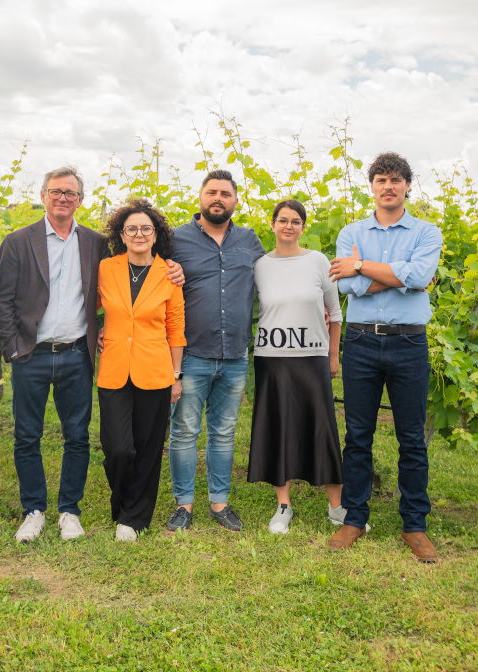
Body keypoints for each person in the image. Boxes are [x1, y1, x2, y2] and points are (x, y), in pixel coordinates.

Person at [327, 152, 442, 561]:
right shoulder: (350, 231)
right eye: (381, 179)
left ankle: (415, 525)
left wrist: (362, 266)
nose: (388, 186)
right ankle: (354, 518)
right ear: (371, 186)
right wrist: (395, 275)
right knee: (358, 435)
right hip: (359, 342)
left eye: (396, 179)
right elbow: (347, 289)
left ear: (407, 185)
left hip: (409, 343)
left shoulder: (427, 232)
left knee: (411, 438)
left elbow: (418, 276)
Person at [166, 170, 265, 532]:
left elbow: (274, 277)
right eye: (212, 192)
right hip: (192, 354)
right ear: (201, 198)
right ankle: (184, 505)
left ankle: (219, 503)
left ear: (236, 200)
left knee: (223, 432)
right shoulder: (176, 240)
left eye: (225, 193)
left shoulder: (250, 240)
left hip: (236, 355)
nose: (218, 198)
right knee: (185, 431)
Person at [248, 199, 343, 534]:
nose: (289, 226)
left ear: (303, 227)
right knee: (278, 428)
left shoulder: (318, 261)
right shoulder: (259, 265)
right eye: (283, 220)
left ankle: (336, 507)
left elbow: (336, 313)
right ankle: (283, 505)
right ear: (272, 225)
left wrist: (333, 356)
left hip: (312, 357)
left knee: (322, 428)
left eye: (296, 221)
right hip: (272, 360)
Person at [96, 199, 186, 542]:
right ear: (122, 234)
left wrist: (176, 375)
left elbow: (176, 328)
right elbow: (91, 308)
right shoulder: (106, 268)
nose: (138, 233)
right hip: (115, 368)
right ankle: (122, 504)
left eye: (145, 228)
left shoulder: (169, 273)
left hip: (155, 370)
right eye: (131, 228)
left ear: (155, 234)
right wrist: (100, 331)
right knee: (118, 447)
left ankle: (133, 518)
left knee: (148, 449)